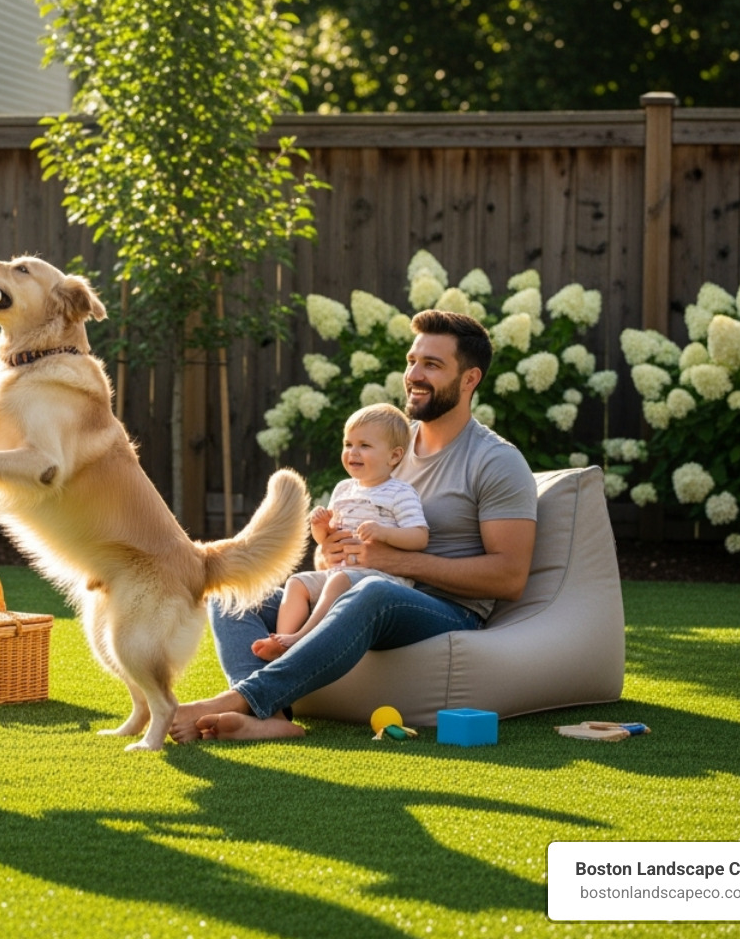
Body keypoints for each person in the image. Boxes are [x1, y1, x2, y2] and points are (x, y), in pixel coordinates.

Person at [169, 309, 538, 743]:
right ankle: (269, 717)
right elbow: (336, 555)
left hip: (444, 608)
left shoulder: (496, 461)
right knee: (236, 593)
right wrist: (331, 549)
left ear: (470, 379)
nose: (414, 375)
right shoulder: (386, 443)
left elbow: (510, 577)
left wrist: (400, 561)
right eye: (412, 361)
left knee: (373, 590)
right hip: (359, 585)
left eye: (432, 365)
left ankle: (238, 700)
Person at [251, 403, 428, 661]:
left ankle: (300, 640)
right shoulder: (344, 489)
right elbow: (329, 541)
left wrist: (384, 533)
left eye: (364, 446)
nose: (353, 452)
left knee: (337, 580)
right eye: (348, 444)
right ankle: (282, 643)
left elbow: (420, 537)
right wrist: (320, 528)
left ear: (394, 456)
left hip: (380, 582)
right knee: (297, 582)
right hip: (340, 573)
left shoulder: (400, 493)